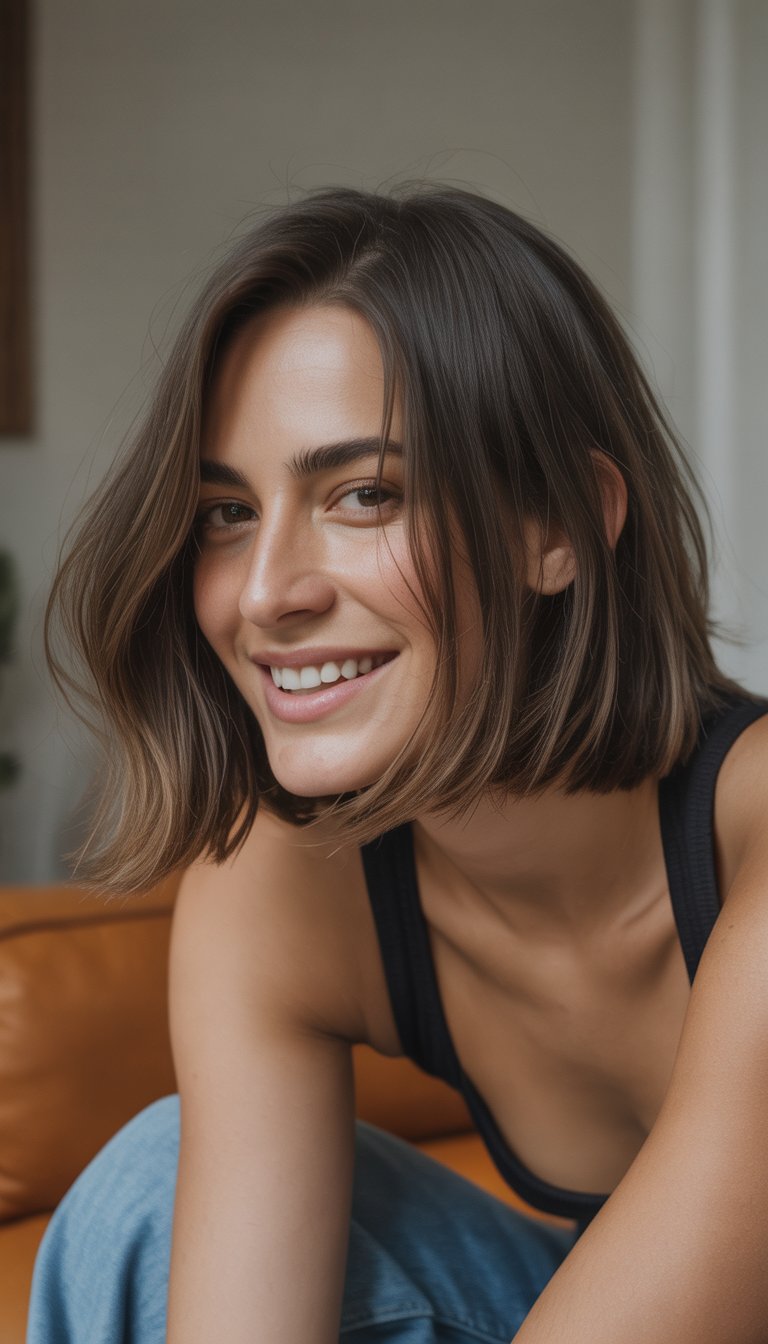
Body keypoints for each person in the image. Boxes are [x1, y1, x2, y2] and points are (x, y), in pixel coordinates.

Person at [27, 183, 768, 1343]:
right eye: (227, 512)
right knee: (148, 1191)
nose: (267, 590)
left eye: (363, 494)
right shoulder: (283, 886)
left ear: (558, 527)